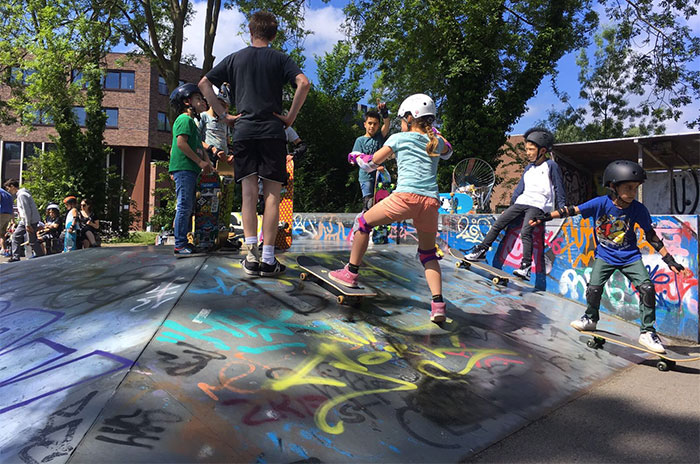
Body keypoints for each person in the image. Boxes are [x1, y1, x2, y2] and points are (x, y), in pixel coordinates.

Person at [531, 160, 686, 353]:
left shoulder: (638, 209)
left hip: (630, 257)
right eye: (628, 188)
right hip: (605, 256)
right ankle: (590, 318)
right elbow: (571, 210)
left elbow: (651, 235)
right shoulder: (600, 203)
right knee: (594, 288)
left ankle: (647, 332)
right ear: (613, 186)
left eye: (635, 188)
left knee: (647, 287)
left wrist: (669, 260)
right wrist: (545, 217)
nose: (632, 192)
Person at [199, 10, 310, 277]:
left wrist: (224, 115)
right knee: (272, 194)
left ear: (251, 32)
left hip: (244, 131)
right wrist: (289, 117)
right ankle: (269, 259)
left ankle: (250, 258)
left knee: (248, 193)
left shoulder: (236, 58)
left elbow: (203, 83)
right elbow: (303, 83)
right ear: (273, 35)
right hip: (273, 131)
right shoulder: (280, 59)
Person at [331, 94, 453, 323]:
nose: (400, 124)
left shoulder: (398, 138)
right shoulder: (436, 141)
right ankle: (438, 305)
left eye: (402, 120)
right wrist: (435, 133)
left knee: (362, 223)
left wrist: (356, 156)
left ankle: (350, 273)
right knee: (427, 253)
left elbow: (369, 164)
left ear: (409, 117)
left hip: (405, 198)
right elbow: (449, 151)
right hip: (431, 202)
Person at [465, 127, 566, 280]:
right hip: (522, 202)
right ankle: (481, 250)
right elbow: (520, 189)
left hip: (538, 205)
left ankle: (525, 267)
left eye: (531, 149)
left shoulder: (551, 166)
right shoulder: (528, 168)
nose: (528, 152)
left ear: (542, 150)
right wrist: (511, 207)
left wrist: (562, 208)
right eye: (527, 149)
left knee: (526, 232)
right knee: (499, 223)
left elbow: (559, 187)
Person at [168, 82, 214, 257]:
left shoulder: (192, 123)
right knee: (184, 205)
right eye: (198, 98)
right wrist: (200, 163)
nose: (202, 102)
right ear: (187, 102)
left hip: (189, 169)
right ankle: (179, 244)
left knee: (188, 206)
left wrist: (207, 161)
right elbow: (180, 144)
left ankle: (184, 241)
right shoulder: (184, 119)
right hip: (184, 168)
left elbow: (198, 148)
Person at [351, 103, 391, 212]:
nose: (372, 126)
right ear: (364, 124)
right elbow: (354, 157)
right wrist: (353, 160)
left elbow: (387, 124)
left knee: (381, 202)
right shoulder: (360, 140)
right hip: (366, 177)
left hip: (380, 176)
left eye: (375, 124)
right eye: (370, 123)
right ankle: (366, 223)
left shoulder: (379, 137)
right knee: (368, 203)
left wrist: (384, 112)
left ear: (378, 125)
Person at [3, 178, 44, 262]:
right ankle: (39, 256)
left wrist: (27, 224)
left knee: (23, 238)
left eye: (8, 188)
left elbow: (26, 211)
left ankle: (17, 257)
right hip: (27, 220)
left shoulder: (22, 195)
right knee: (22, 238)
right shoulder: (23, 194)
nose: (9, 191)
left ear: (12, 186)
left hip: (29, 221)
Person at [199, 82, 234, 166]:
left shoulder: (224, 120)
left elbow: (227, 140)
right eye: (221, 105)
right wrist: (212, 149)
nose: (223, 110)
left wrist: (231, 153)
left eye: (225, 107)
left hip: (223, 160)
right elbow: (196, 140)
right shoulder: (203, 116)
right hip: (209, 157)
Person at [0, 185, 13, 257]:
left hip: (1, 213)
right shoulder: (8, 194)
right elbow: (11, 206)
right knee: (2, 233)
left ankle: (3, 249)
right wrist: (13, 219)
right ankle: (3, 249)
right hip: (8, 214)